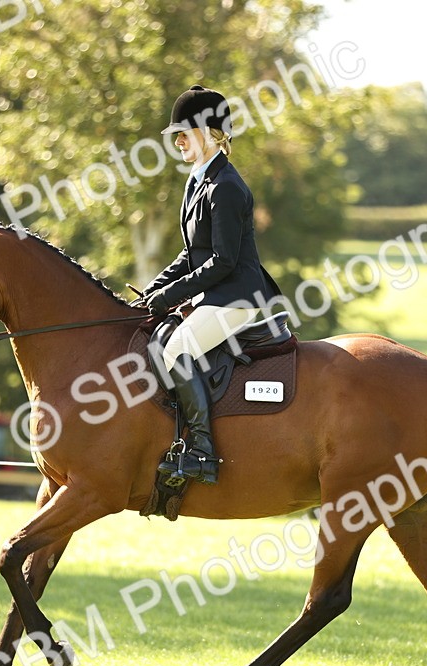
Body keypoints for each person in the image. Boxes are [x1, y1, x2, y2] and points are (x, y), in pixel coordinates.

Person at [134, 84, 285, 485]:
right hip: (215, 294)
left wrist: (171, 296)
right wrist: (153, 291)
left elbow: (223, 261)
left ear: (207, 133)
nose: (178, 142)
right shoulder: (197, 182)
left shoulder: (227, 187)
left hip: (237, 297)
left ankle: (202, 452)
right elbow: (191, 254)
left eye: (184, 134)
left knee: (176, 350)